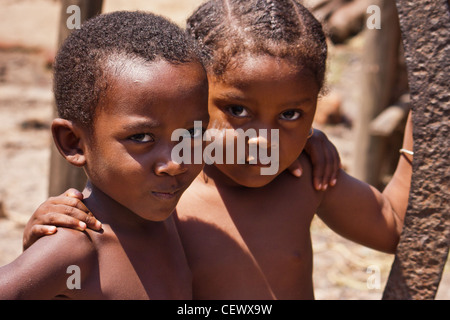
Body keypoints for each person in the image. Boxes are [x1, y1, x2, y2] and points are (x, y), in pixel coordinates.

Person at [22, 0, 412, 300]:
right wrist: (48, 229)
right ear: (190, 97)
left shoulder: (306, 174)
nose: (264, 140)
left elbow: (395, 227)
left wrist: (426, 122)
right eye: (237, 110)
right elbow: (90, 257)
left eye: (291, 114)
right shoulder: (160, 192)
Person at [0, 11, 210, 299]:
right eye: (141, 137)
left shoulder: (174, 224)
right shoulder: (75, 247)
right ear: (73, 143)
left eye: (190, 134)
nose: (175, 163)